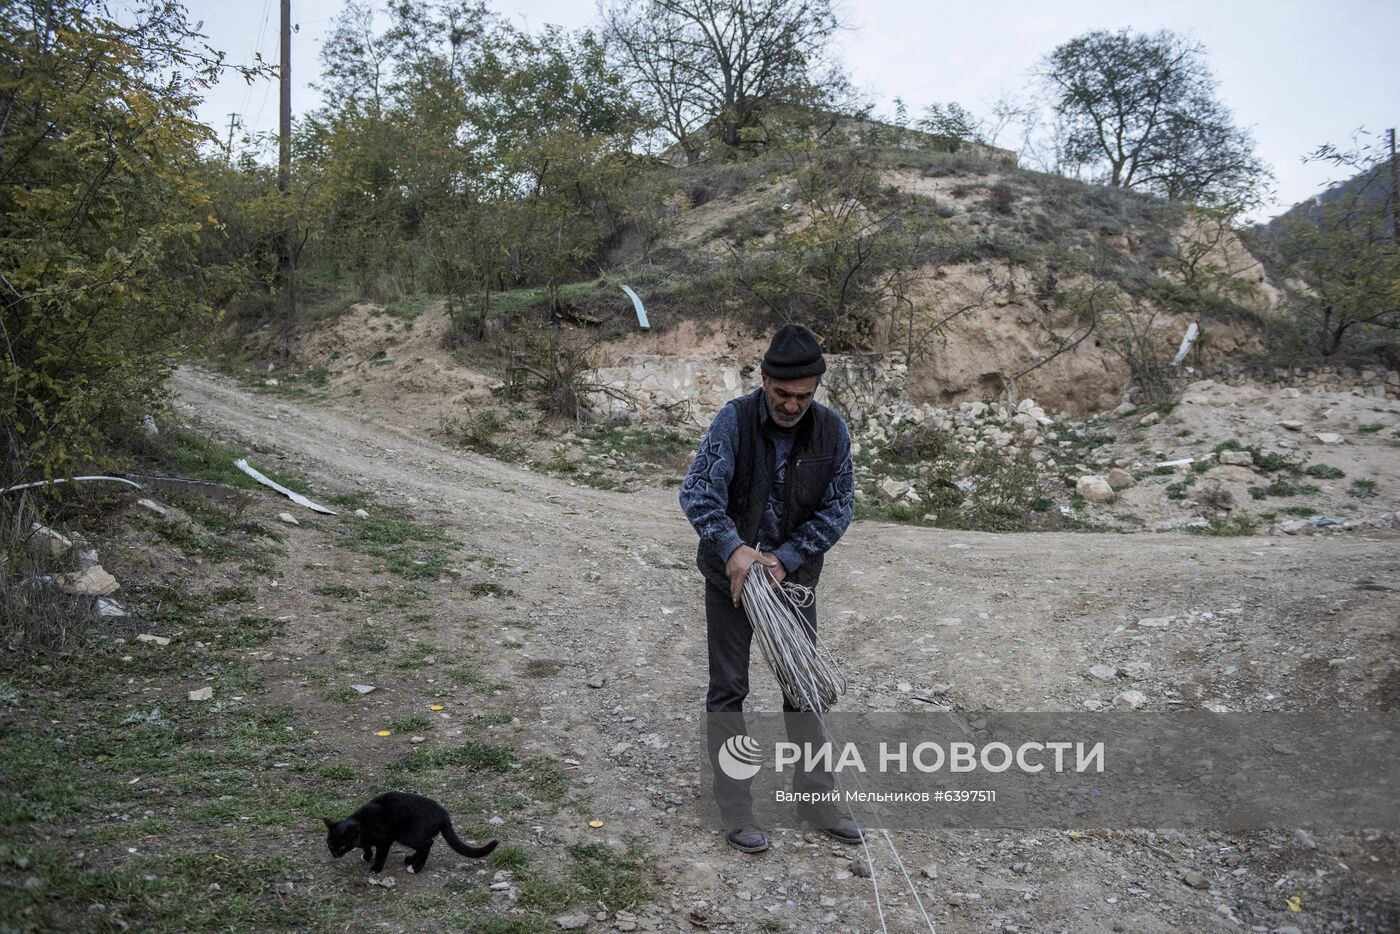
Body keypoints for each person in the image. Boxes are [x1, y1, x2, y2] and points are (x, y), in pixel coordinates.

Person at [679, 323, 859, 853]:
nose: (791, 405)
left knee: (803, 688)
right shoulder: (733, 422)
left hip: (792, 581)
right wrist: (735, 549)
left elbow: (840, 507)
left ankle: (817, 798)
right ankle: (736, 810)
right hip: (730, 579)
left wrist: (784, 559)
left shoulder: (832, 431)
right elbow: (697, 493)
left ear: (816, 389)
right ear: (764, 380)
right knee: (729, 690)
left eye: (803, 396)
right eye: (782, 394)